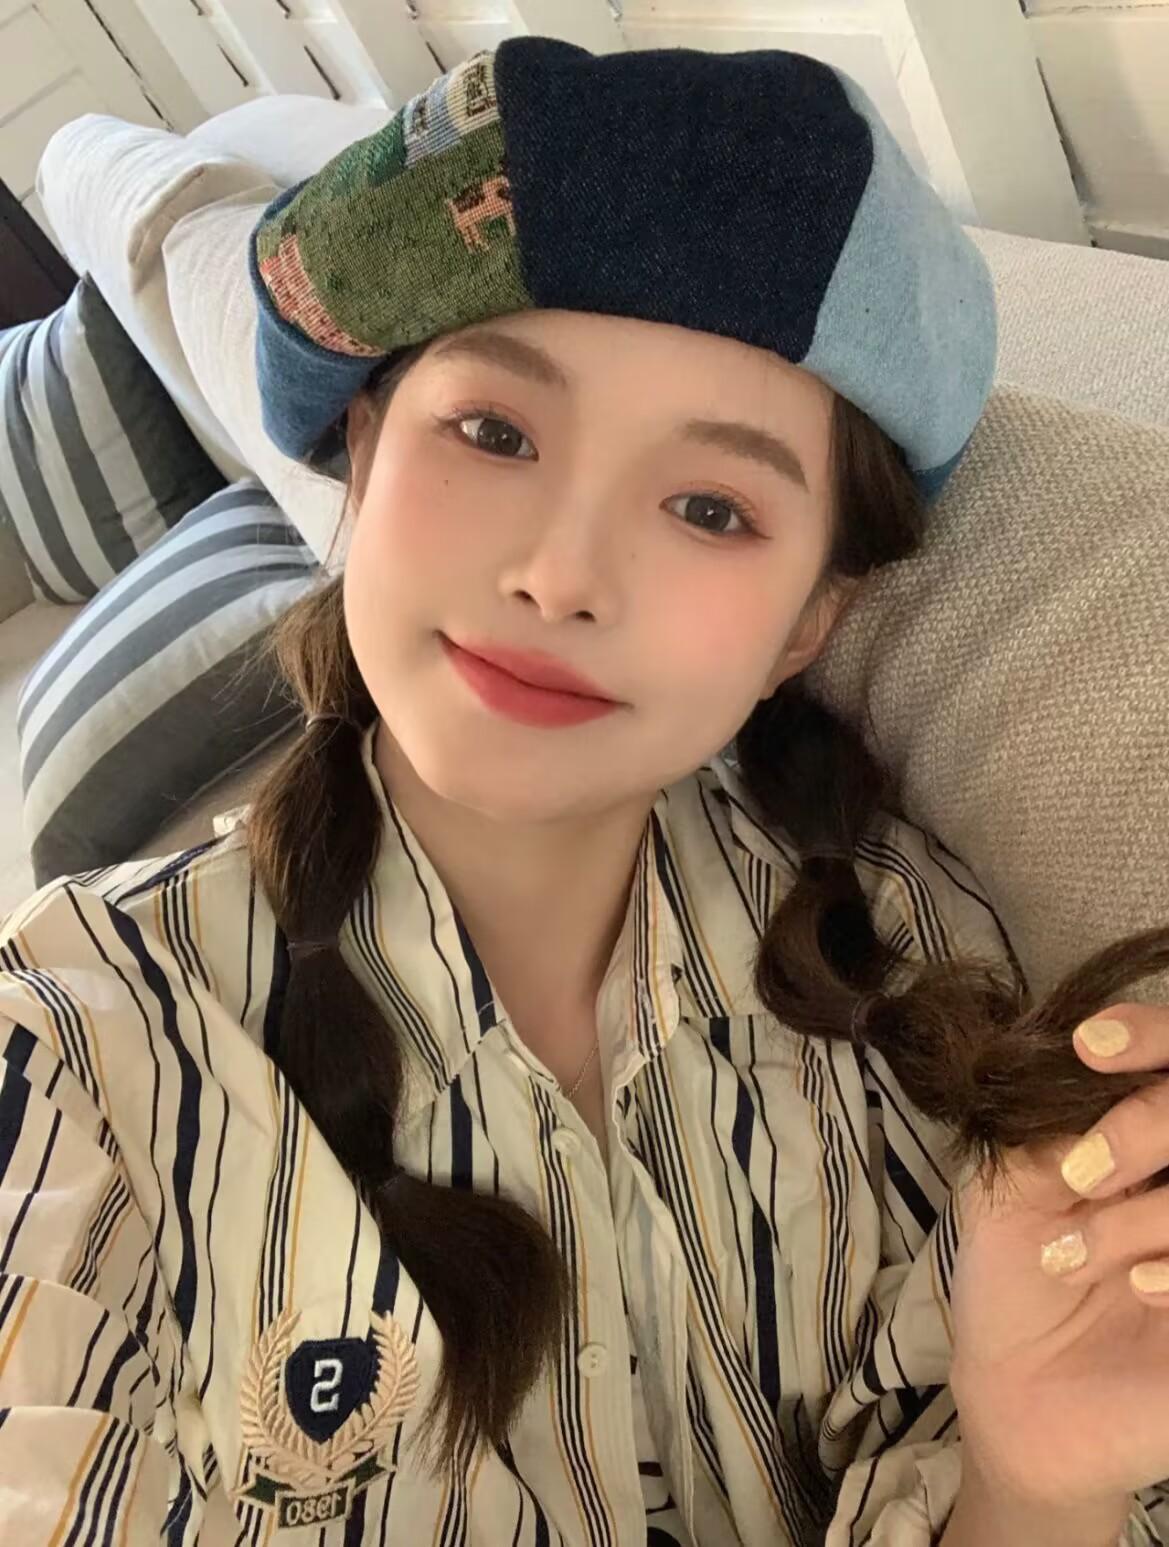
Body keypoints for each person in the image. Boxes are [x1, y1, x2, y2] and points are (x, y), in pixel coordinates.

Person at [1, 33, 1167, 1547]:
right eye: (494, 433)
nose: (560, 575)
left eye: (710, 508)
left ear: (805, 629)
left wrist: (1032, 1488)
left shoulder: (915, 961)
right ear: (362, 456)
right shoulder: (70, 1041)